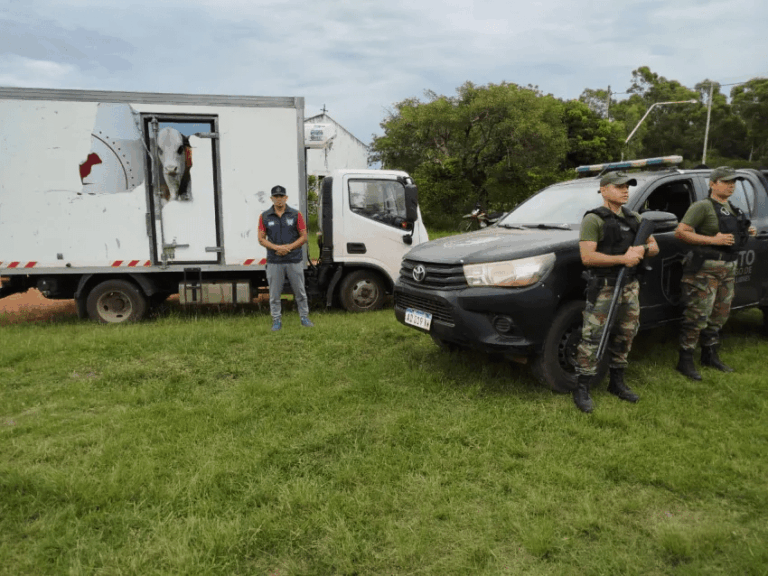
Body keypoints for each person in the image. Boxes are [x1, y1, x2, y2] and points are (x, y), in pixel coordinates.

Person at [573, 171, 659, 413]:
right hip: (605, 286)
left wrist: (640, 249)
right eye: (619, 186)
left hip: (630, 286)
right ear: (603, 189)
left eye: (627, 186)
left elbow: (654, 247)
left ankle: (617, 382)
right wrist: (623, 257)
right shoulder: (594, 219)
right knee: (592, 337)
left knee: (626, 333)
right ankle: (582, 387)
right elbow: (587, 256)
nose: (625, 190)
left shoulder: (634, 217)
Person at [674, 166, 755, 380]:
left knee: (720, 314)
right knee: (697, 315)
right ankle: (685, 359)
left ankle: (710, 355)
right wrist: (713, 240)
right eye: (726, 181)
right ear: (713, 184)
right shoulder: (702, 206)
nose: (731, 185)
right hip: (705, 270)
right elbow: (681, 232)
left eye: (733, 182)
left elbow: (735, 234)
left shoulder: (732, 208)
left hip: (728, 268)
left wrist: (746, 231)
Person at [258, 185, 314, 331]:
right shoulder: (264, 216)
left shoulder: (296, 214)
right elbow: (261, 239)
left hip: (294, 260)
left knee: (300, 292)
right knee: (274, 295)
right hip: (274, 261)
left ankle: (304, 317)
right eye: (276, 197)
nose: (279, 199)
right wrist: (277, 248)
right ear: (271, 199)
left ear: (286, 198)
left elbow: (304, 236)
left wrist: (288, 248)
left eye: (281, 196)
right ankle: (276, 320)